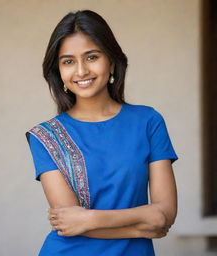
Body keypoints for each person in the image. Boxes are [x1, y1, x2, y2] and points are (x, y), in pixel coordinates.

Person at [25, 9, 178, 256]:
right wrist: (143, 225)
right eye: (68, 61)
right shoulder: (45, 136)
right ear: (59, 72)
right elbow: (69, 224)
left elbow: (165, 215)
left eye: (92, 57)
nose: (81, 71)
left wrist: (90, 218)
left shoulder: (148, 121)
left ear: (112, 61)